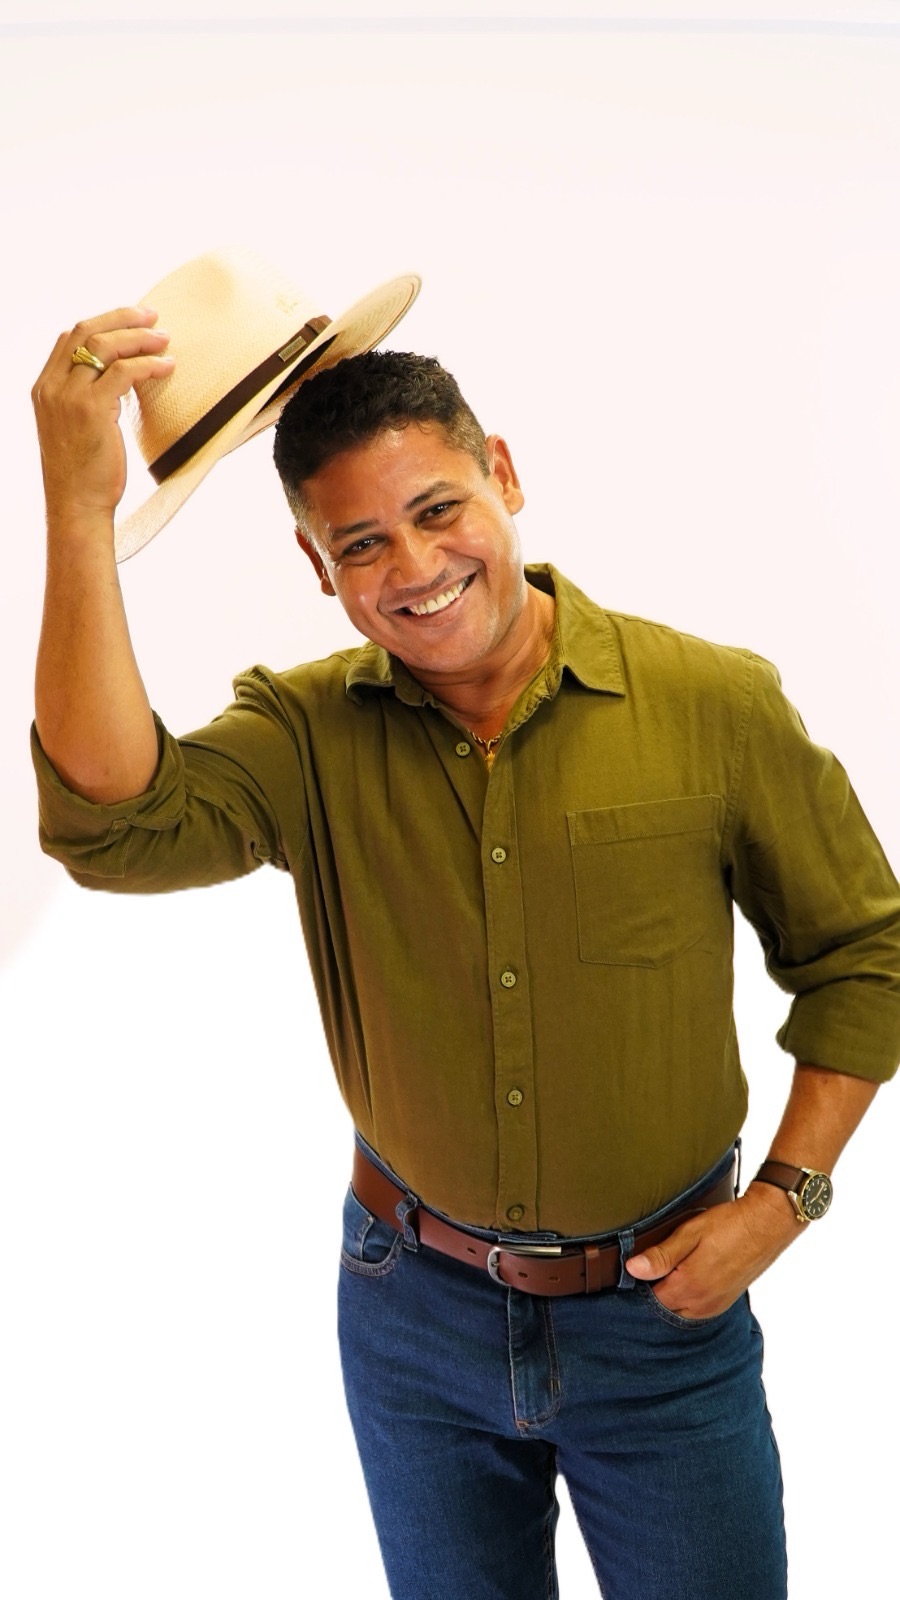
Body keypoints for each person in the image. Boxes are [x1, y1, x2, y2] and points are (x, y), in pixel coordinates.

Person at [31, 255, 900, 1600]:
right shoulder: (304, 733)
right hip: (410, 1319)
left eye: (438, 509)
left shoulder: (713, 705)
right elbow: (112, 821)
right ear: (317, 568)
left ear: (503, 471)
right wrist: (79, 518)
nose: (417, 568)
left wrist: (786, 1201)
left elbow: (866, 955)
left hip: (662, 1321)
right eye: (361, 545)